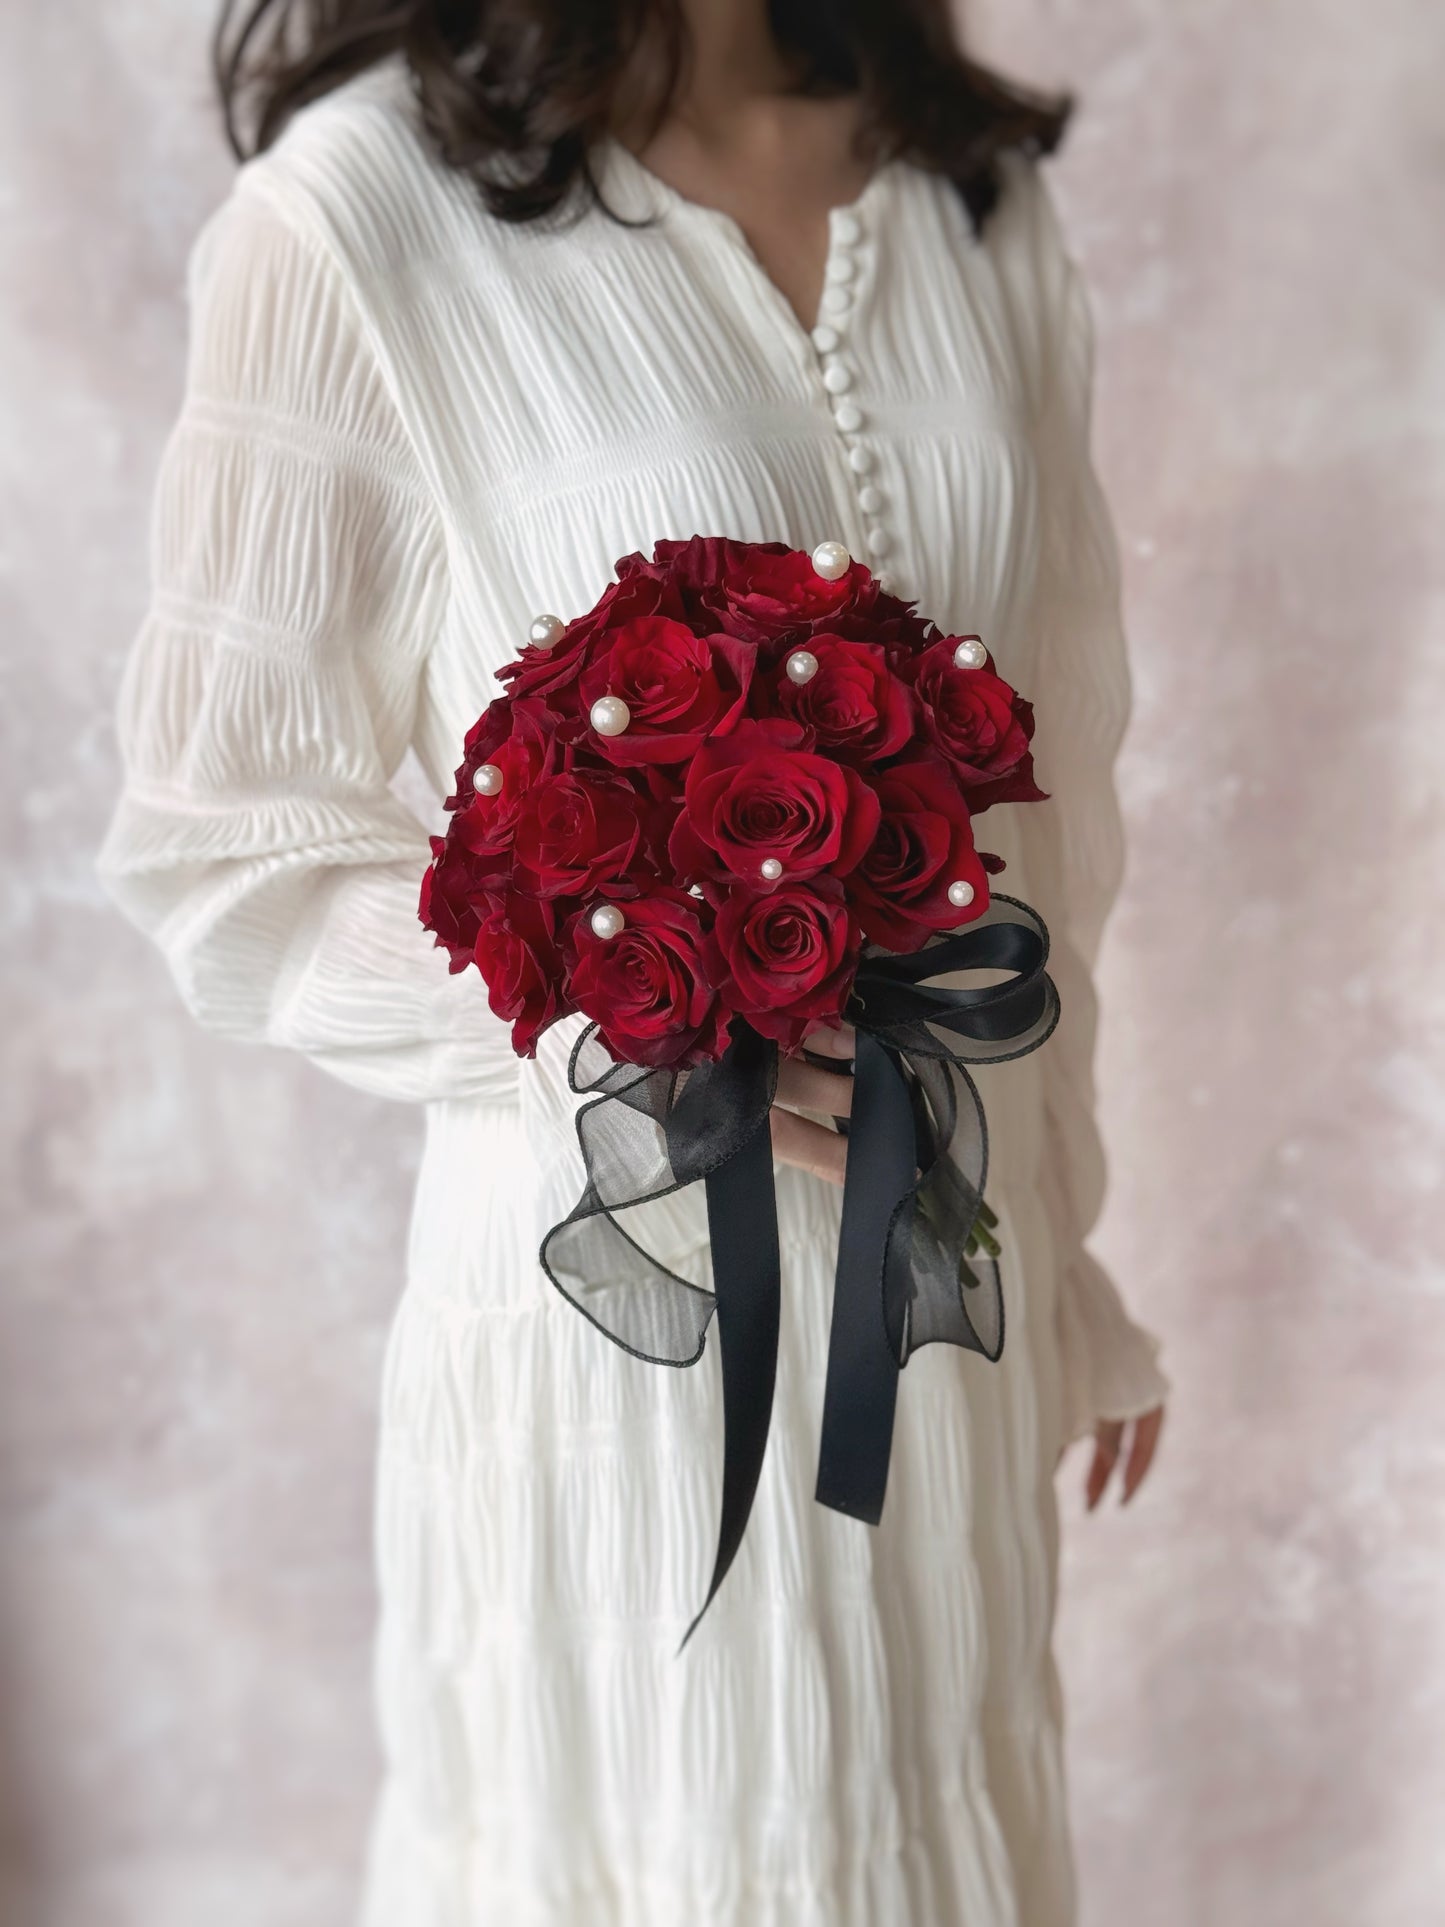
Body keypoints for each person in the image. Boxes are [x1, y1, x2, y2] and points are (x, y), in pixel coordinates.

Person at [97, 1, 1169, 1919]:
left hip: (944, 1314)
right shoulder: (354, 212)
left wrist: (1064, 1244)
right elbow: (226, 855)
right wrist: (644, 1012)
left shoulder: (968, 192)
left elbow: (1054, 809)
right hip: (616, 1338)